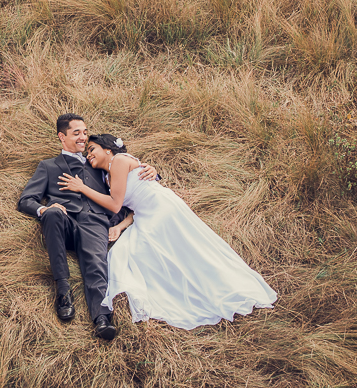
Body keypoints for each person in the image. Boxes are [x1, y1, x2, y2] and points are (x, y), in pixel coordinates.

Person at [57, 133, 277, 330]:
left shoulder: (120, 161)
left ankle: (220, 288)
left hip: (162, 208)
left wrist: (82, 187)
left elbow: (115, 205)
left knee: (186, 252)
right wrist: (120, 226)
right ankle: (184, 291)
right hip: (144, 215)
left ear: (108, 149)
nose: (89, 155)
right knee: (127, 253)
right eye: (87, 152)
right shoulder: (106, 177)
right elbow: (130, 208)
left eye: (92, 149)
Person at [17, 114, 158, 340]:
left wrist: (152, 171)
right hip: (64, 221)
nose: (83, 138)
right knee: (52, 214)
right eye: (77, 133)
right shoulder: (48, 166)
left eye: (84, 132)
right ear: (62, 137)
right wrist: (44, 209)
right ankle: (63, 291)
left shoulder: (98, 164)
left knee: (95, 262)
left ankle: (102, 316)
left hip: (95, 222)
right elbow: (26, 200)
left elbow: (127, 180)